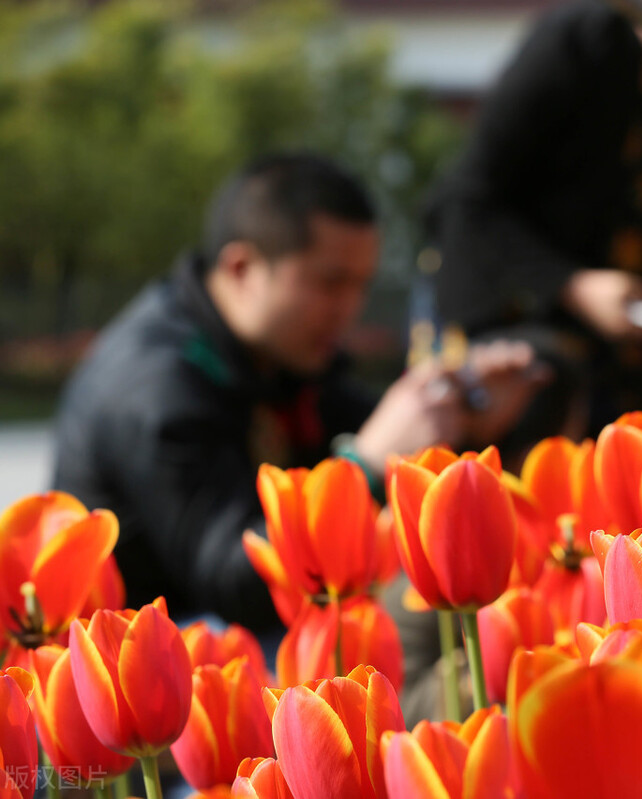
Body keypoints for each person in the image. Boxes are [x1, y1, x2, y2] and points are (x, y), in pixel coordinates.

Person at [51, 153, 544, 639]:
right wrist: (365, 467)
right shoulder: (154, 388)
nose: (349, 309)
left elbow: (374, 422)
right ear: (241, 268)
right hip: (154, 663)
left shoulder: (279, 354)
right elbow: (234, 586)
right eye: (330, 283)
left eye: (360, 286)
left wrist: (466, 419)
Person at [424, 0, 642, 438]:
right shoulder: (574, 45)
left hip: (627, 315)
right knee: (551, 398)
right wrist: (573, 285)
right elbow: (466, 202)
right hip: (515, 303)